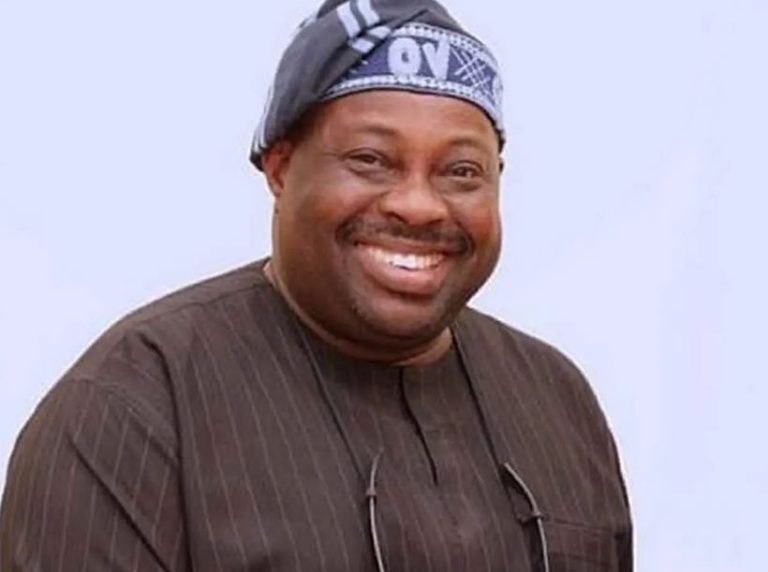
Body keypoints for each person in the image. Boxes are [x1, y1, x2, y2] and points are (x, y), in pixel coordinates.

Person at [0, 0, 632, 570]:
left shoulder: (556, 400)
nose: (418, 205)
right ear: (280, 168)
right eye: (370, 160)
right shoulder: (134, 406)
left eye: (462, 171)